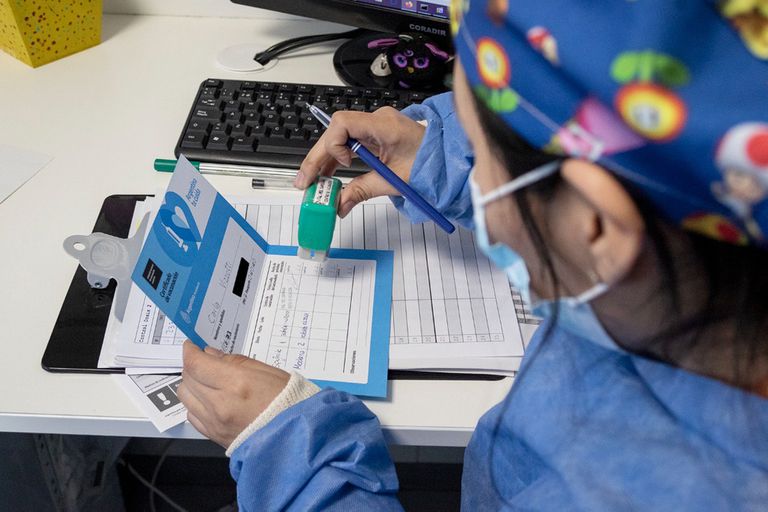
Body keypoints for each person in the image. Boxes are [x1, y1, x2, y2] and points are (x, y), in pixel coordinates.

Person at [176, 1, 768, 510]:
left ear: (597, 227)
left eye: (479, 152)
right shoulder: (693, 275)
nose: (467, 164)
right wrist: (439, 152)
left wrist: (295, 455)